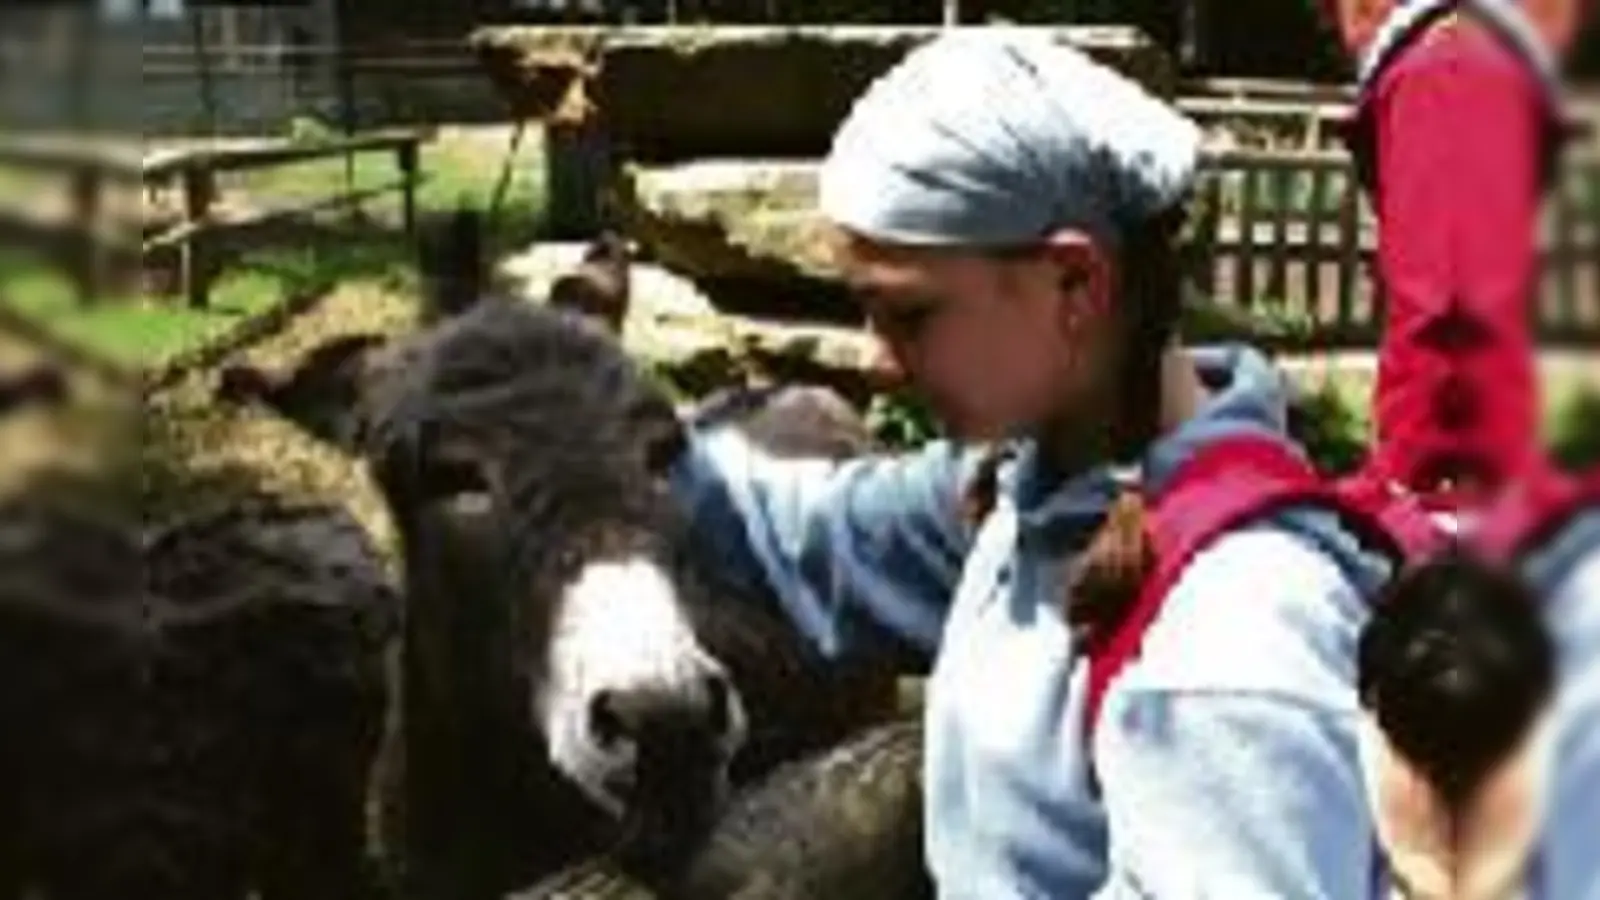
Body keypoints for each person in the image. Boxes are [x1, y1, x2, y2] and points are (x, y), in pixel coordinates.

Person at [668, 29, 1390, 898]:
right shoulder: (1034, 494)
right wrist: (582, 433)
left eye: (911, 314)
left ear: (1075, 285)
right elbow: (811, 534)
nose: (878, 362)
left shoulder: (1226, 648)